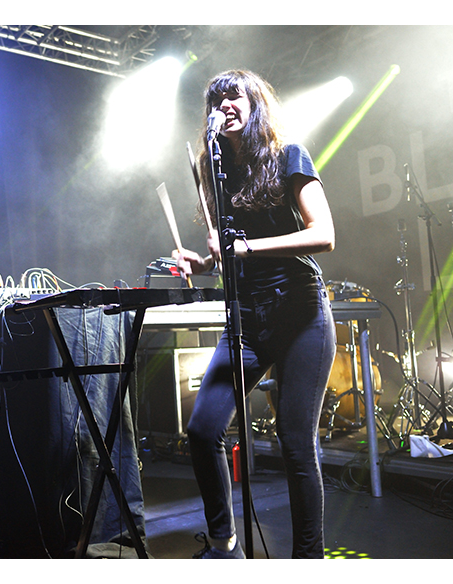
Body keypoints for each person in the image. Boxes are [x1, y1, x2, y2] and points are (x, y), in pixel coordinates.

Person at [173, 70, 337, 559]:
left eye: (234, 95)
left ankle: (309, 560)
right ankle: (224, 543)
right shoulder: (217, 173)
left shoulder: (289, 156)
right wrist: (205, 262)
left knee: (295, 443)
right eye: (215, 98)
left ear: (255, 103)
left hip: (300, 314)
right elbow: (228, 253)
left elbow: (324, 233)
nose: (224, 104)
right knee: (203, 431)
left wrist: (246, 248)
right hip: (247, 319)